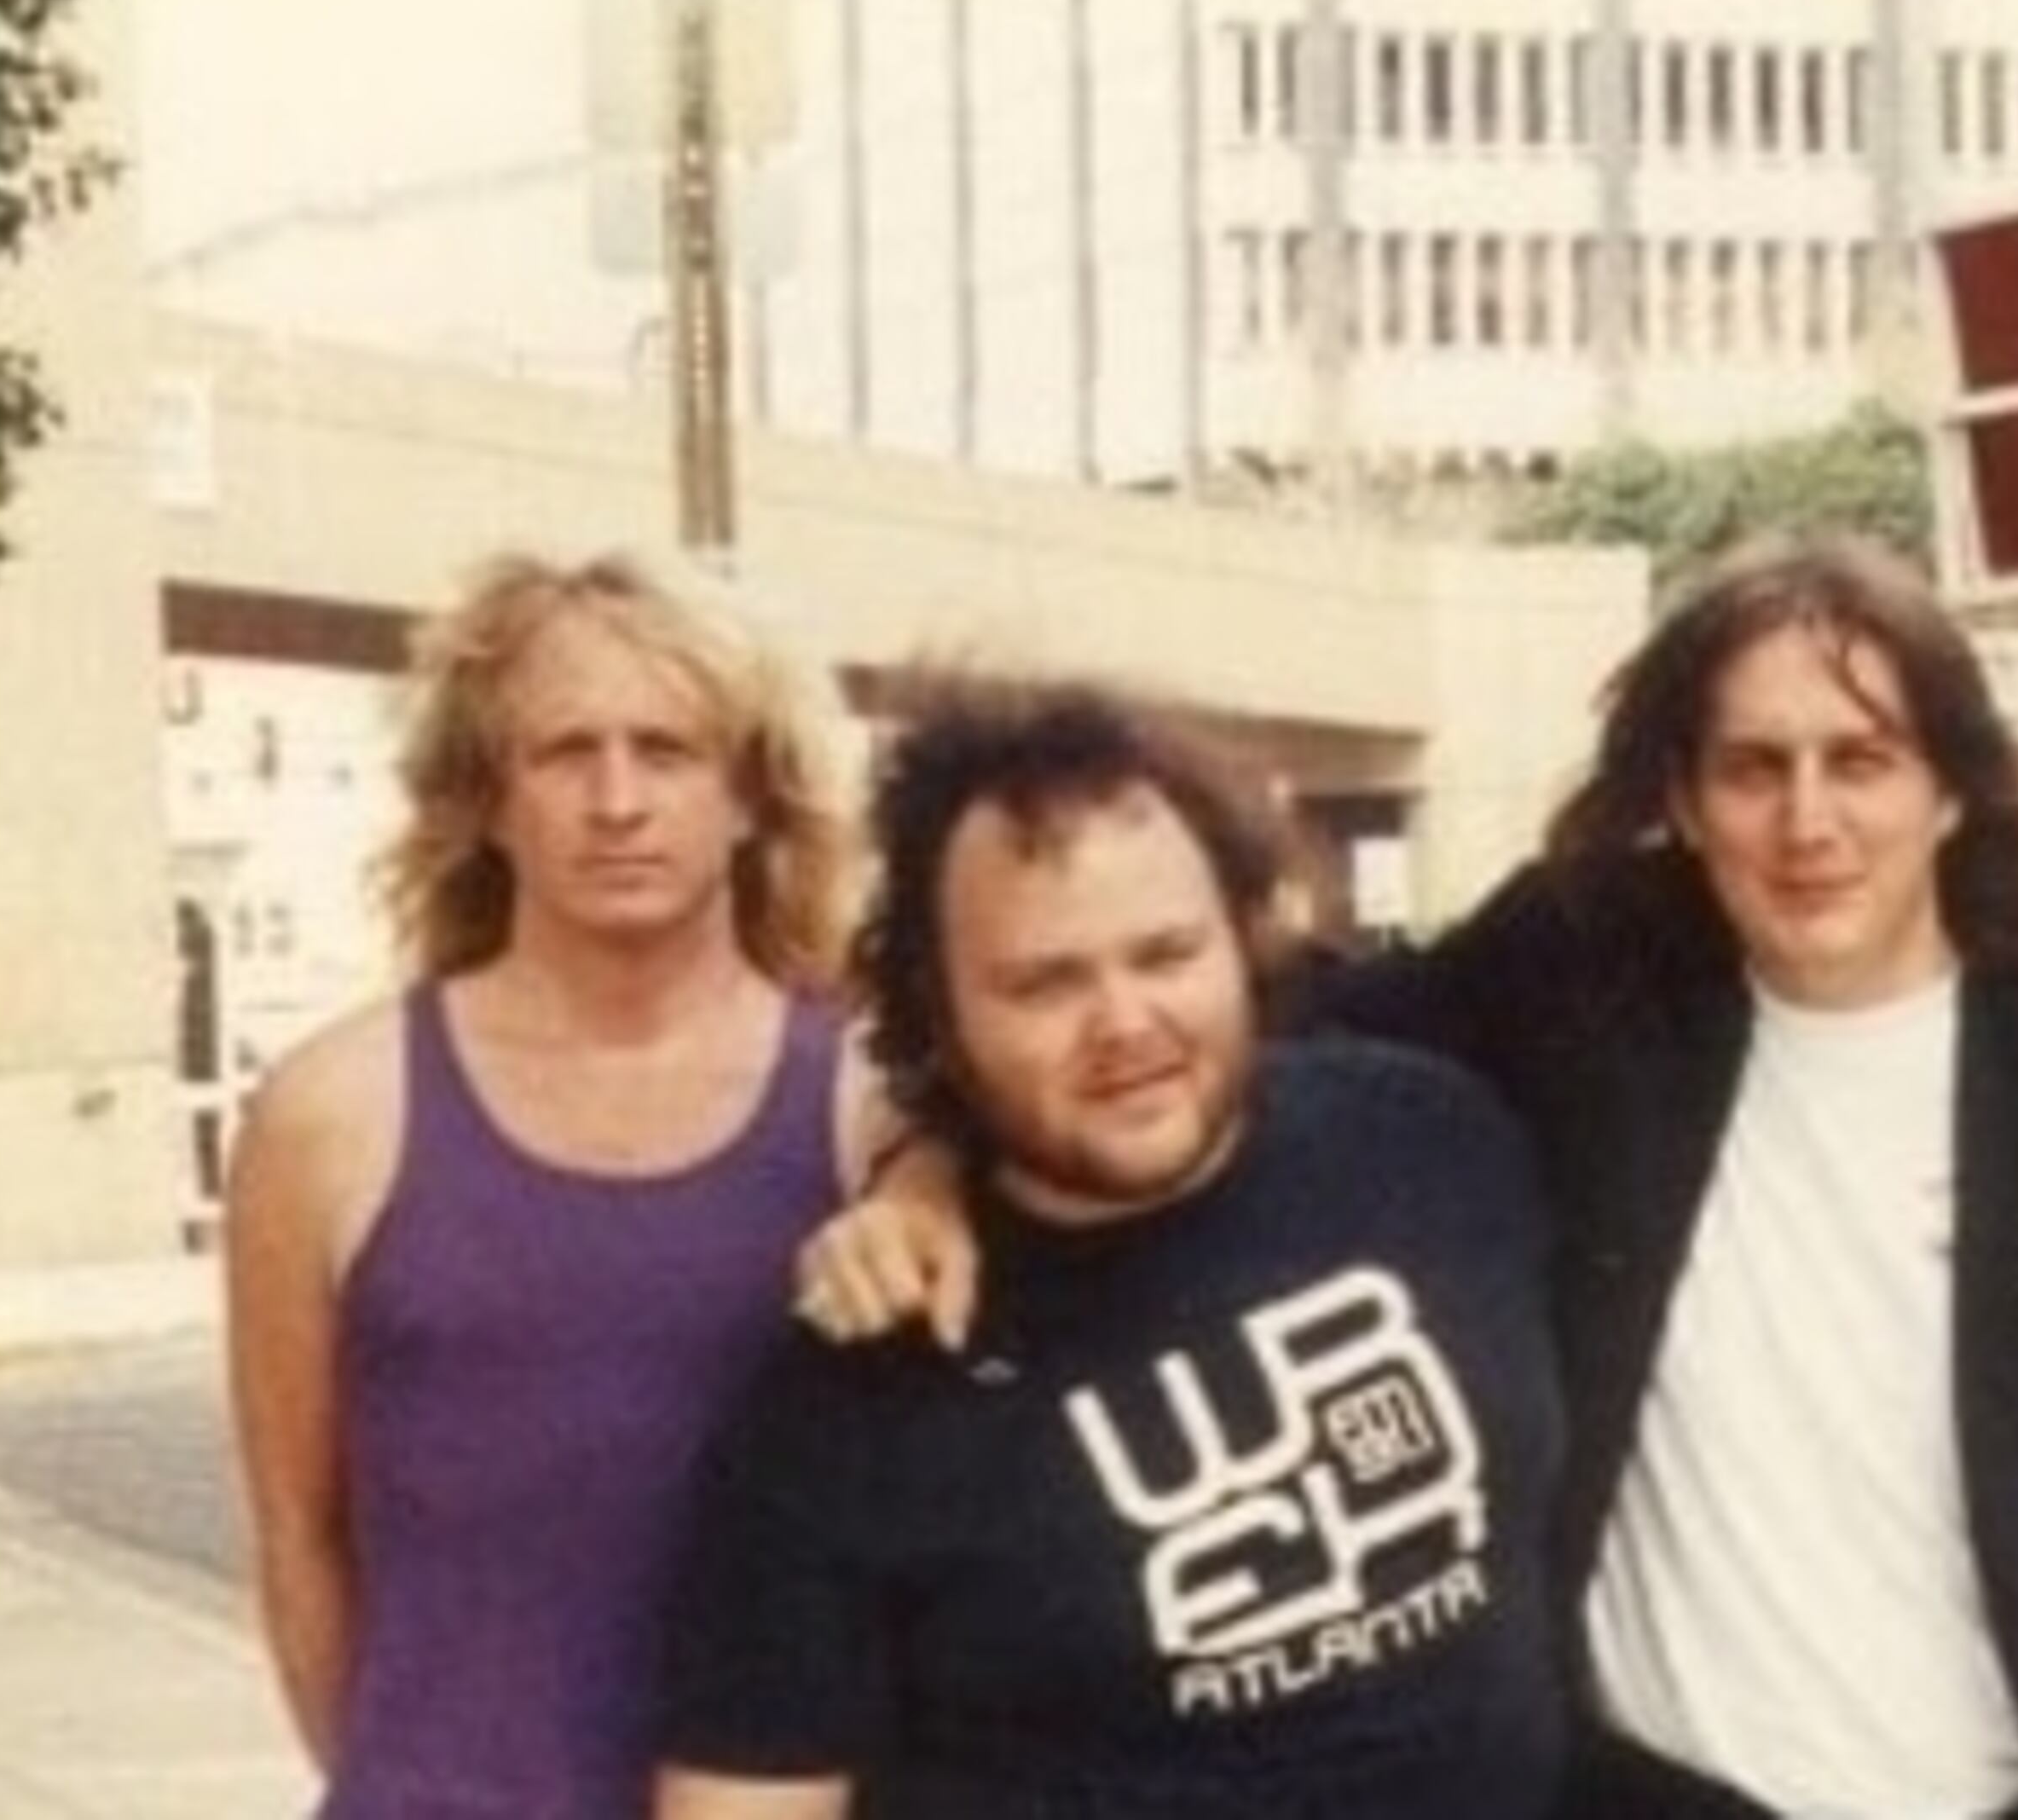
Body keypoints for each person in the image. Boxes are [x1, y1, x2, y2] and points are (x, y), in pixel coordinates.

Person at [807, 540, 2018, 1819]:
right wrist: (931, 1162)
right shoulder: (1586, 992)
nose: (1809, 823)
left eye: (1861, 760)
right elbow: (1191, 1040)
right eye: (1752, 767)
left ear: (1950, 785)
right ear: (1681, 799)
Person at [655, 676, 1567, 1817]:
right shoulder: (853, 1393)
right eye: (1045, 983)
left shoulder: (1435, 1140)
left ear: (1244, 938)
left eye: (1167, 954)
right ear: (938, 1011)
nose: (1125, 1023)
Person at [223, 552, 850, 1817]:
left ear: (750, 795)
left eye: (668, 750)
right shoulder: (329, 1117)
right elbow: (301, 1537)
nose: (617, 800)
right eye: (565, 752)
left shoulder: (874, 1110)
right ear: (487, 799)